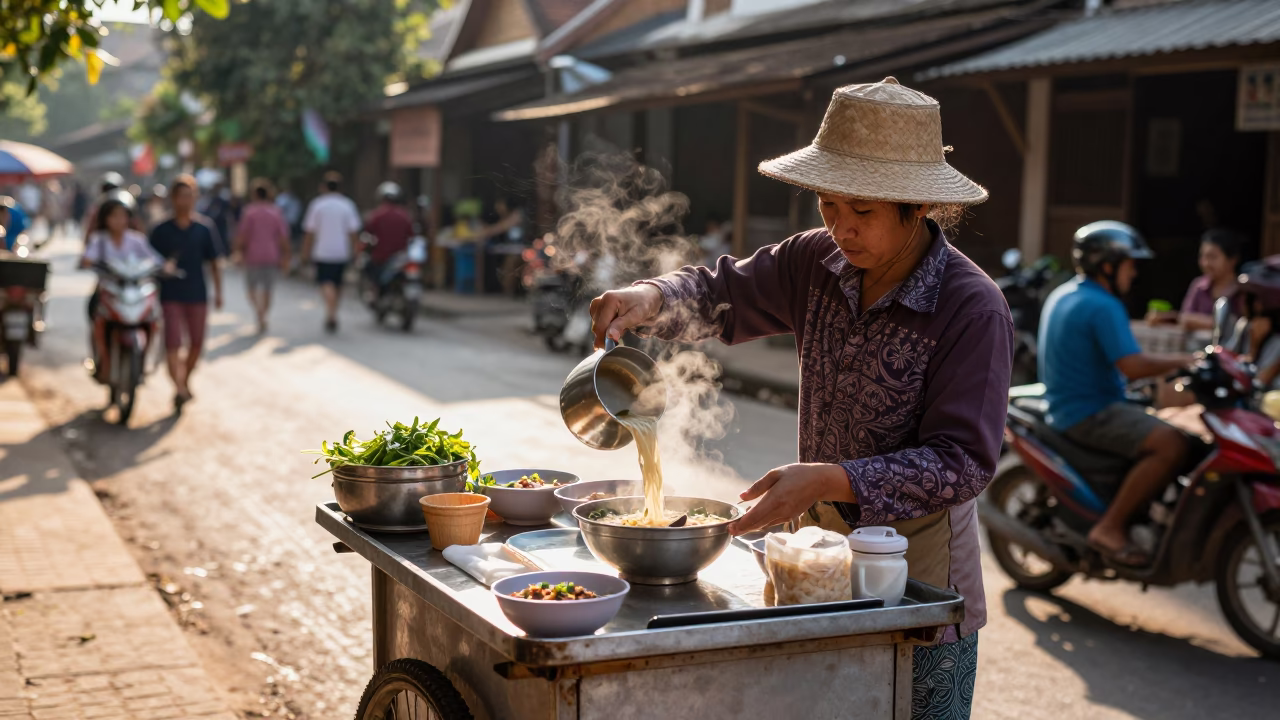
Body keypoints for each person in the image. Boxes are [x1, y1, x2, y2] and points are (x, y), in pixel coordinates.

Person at [589, 78, 1006, 719]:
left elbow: (961, 464)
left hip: (918, 579)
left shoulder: (970, 307)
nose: (840, 226)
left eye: (861, 211)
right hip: (811, 559)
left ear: (917, 206)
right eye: (827, 204)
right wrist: (649, 298)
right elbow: (722, 291)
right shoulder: (816, 262)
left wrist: (828, 480)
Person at [1039, 222, 1195, 566]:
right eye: (1130, 264)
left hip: (1065, 406)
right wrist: (1187, 360)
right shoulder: (1103, 305)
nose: (1134, 273)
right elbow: (1133, 365)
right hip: (1090, 412)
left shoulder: (1064, 293)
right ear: (1107, 265)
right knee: (1172, 443)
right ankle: (1110, 528)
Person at [149, 175, 223, 409]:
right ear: (173, 198)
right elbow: (148, 261)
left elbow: (214, 261)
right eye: (182, 196)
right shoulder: (160, 230)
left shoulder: (204, 228)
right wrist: (162, 269)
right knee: (173, 343)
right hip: (170, 294)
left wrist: (219, 291)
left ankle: (184, 379)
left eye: (190, 196)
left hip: (197, 293)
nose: (186, 201)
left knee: (196, 344)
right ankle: (179, 388)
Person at [81, 197, 170, 381]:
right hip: (108, 291)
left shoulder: (136, 240)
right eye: (114, 216)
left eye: (122, 216)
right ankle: (101, 359)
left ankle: (145, 362)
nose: (119, 221)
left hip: (133, 291)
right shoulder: (100, 240)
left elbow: (155, 259)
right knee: (96, 318)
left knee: (153, 318)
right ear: (106, 219)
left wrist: (166, 267)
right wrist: (89, 262)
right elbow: (87, 258)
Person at [1148, 228, 1243, 331]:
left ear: (1233, 260)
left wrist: (1193, 320)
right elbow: (1185, 318)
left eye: (1213, 257)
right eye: (1203, 256)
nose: (1205, 263)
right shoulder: (1198, 286)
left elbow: (1238, 325)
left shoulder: (1243, 290)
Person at [301, 171, 361, 333]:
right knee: (337, 284)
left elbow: (310, 232)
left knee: (325, 283)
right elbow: (353, 232)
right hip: (341, 252)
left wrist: (305, 253)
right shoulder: (347, 205)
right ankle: (332, 312)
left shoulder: (317, 205)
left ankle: (331, 313)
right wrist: (356, 251)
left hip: (322, 252)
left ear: (323, 187)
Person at [235, 179, 291, 334]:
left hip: (252, 256)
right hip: (271, 255)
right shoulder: (276, 212)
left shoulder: (249, 212)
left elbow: (242, 235)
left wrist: (238, 251)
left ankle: (259, 312)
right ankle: (263, 314)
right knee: (267, 289)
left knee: (251, 288)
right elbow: (283, 237)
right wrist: (286, 255)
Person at [362, 181, 414, 297]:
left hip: (382, 256)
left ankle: (375, 289)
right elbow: (411, 235)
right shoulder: (405, 215)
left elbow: (367, 232)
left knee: (368, 267)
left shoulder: (377, 215)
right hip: (401, 255)